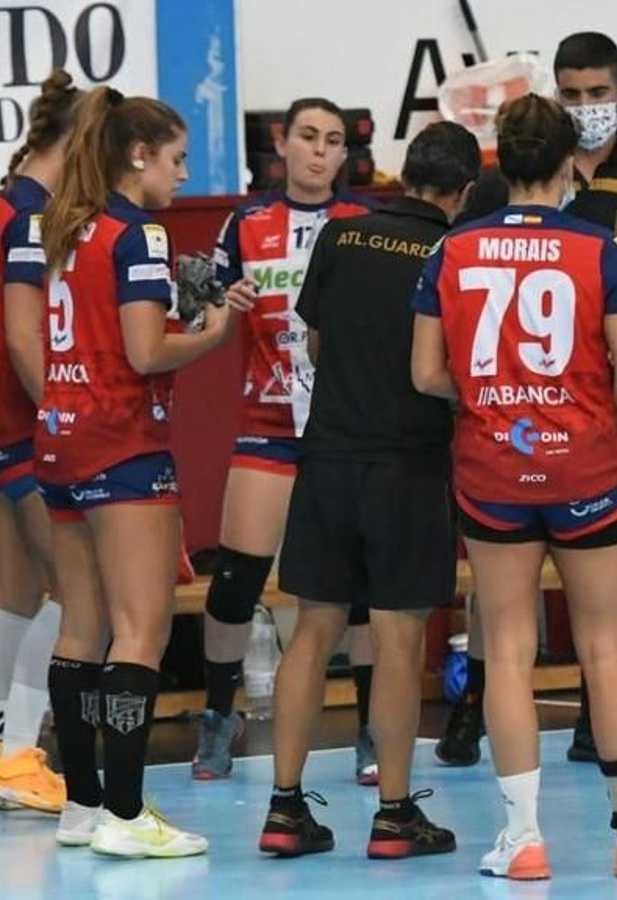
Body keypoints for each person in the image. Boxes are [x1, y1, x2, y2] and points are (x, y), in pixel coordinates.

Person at [443, 30, 617, 768]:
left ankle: (588, 718)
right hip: (513, 409)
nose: (584, 107)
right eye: (569, 95)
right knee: (503, 599)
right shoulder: (501, 187)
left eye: (596, 94)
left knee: (596, 581)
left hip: (604, 405)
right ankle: (474, 705)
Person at [413, 93, 617, 881]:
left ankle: (523, 839)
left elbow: (425, 374)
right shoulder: (604, 251)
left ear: (500, 159)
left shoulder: (451, 251)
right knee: (605, 645)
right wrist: (589, 413)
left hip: (492, 469)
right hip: (585, 466)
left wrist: (492, 403)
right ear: (567, 165)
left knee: (511, 652)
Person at [258, 121, 479, 861]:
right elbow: (445, 366)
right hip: (408, 465)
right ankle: (393, 816)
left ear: (401, 173)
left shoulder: (341, 236)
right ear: (464, 192)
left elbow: (315, 342)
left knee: (312, 632)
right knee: (395, 639)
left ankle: (284, 809)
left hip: (326, 456)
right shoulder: (450, 253)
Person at [36, 86, 231, 858]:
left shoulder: (64, 226)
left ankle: (82, 806)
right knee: (142, 629)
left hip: (59, 439)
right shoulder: (136, 234)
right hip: (122, 442)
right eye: (177, 159)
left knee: (81, 627)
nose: (184, 175)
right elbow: (146, 351)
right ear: (138, 155)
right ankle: (125, 813)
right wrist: (213, 333)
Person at [196, 97, 378, 784]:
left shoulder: (363, 222)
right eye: (307, 137)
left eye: (333, 141)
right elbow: (202, 299)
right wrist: (220, 299)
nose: (319, 152)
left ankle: (367, 727)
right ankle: (219, 714)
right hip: (268, 425)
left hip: (341, 429)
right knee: (237, 580)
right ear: (282, 141)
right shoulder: (247, 221)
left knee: (355, 587)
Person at [0, 70, 81, 813]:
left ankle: (9, 750)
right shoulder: (30, 216)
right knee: (79, 590)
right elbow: (24, 336)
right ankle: (15, 754)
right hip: (20, 417)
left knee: (17, 594)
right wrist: (65, 416)